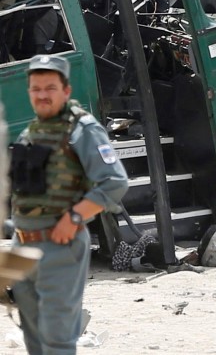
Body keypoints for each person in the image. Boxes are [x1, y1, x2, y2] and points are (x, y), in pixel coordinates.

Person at [10, 55, 129, 355]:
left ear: (65, 91)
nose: (42, 95)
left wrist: (75, 217)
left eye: (50, 87)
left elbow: (114, 182)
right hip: (22, 247)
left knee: (57, 340)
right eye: (36, 88)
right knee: (34, 339)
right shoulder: (31, 133)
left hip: (59, 247)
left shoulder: (83, 130)